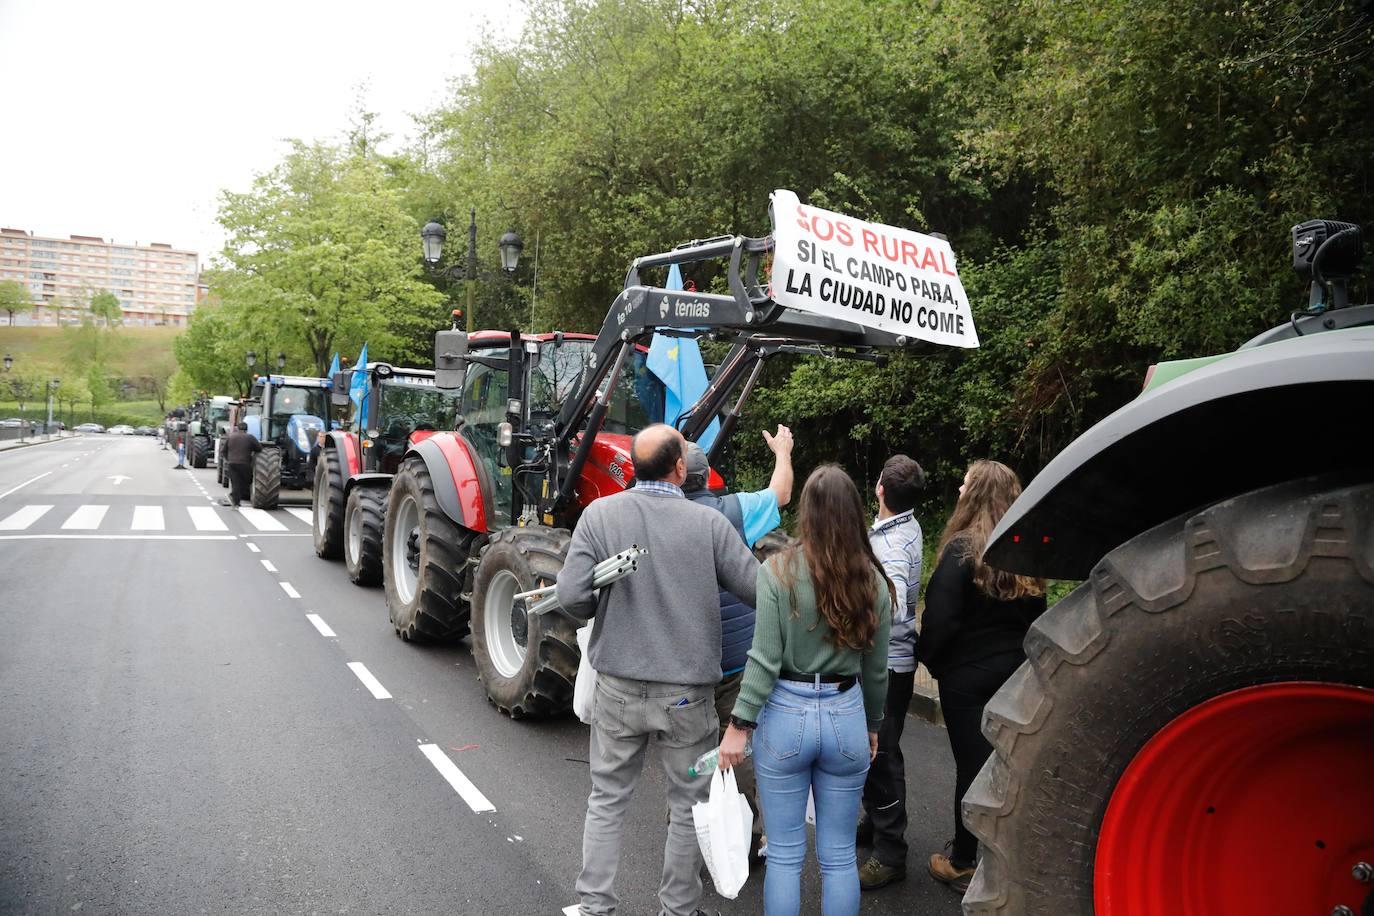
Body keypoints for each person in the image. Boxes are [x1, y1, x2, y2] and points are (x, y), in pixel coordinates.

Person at [556, 423, 760, 916]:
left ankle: (594, 905)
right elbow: (761, 592)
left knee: (607, 799)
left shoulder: (599, 516)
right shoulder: (709, 525)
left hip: (617, 692)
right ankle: (677, 909)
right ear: (678, 469)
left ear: (633, 466)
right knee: (691, 804)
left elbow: (569, 599)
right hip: (688, 700)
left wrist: (598, 601)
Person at [719, 465, 893, 916]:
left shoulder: (776, 571)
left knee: (784, 855)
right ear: (854, 513)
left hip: (786, 715)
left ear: (806, 514)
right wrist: (873, 726)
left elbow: (763, 658)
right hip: (846, 714)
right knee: (838, 857)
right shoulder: (873, 582)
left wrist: (739, 725)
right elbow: (876, 671)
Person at [918, 460, 1047, 892]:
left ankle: (962, 861)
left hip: (966, 679)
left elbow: (939, 620)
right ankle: (1009, 851)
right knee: (1009, 765)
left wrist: (934, 663)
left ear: (975, 494)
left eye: (965, 482)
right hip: (1015, 676)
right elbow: (1038, 617)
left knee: (972, 768)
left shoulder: (961, 551)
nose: (958, 486)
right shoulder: (1024, 550)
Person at [680, 426, 794, 860]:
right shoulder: (737, 510)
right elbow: (780, 493)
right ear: (709, 478)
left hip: (686, 663)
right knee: (735, 745)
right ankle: (745, 840)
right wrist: (782, 451)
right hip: (736, 657)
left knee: (690, 749)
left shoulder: (657, 518)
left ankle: (687, 834)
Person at [857, 454, 926, 890]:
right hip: (889, 662)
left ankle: (891, 853)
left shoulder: (894, 545)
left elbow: (896, 609)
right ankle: (875, 823)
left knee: (882, 756)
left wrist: (857, 619)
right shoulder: (897, 528)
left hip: (886, 664)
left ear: (880, 487)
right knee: (873, 753)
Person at [219, 421, 261, 508]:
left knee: (235, 482)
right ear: (246, 429)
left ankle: (236, 501)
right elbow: (259, 448)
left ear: (237, 428)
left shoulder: (231, 437)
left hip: (232, 464)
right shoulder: (250, 437)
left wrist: (228, 459)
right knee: (246, 481)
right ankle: (233, 498)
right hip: (244, 464)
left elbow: (223, 451)